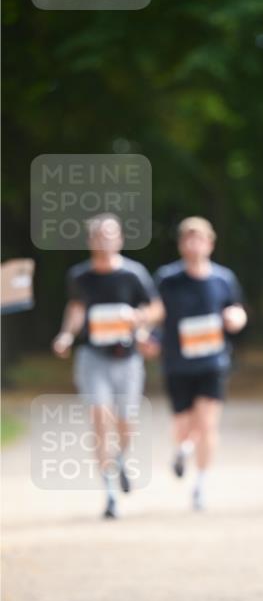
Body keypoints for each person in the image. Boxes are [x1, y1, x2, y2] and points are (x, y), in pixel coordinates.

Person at [52, 214, 160, 519]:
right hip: (92, 356)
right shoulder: (80, 276)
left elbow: (155, 308)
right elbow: (76, 308)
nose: (104, 240)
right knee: (100, 418)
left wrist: (139, 320)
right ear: (90, 241)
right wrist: (66, 335)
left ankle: (121, 458)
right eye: (99, 235)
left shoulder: (133, 274)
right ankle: (110, 493)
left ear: (120, 239)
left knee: (126, 422)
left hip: (127, 358)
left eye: (110, 234)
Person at [153, 216, 246, 511]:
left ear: (210, 243)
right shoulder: (167, 279)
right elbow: (155, 315)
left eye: (200, 238)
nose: (194, 244)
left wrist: (236, 319)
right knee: (183, 424)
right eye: (188, 239)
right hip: (177, 363)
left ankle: (201, 483)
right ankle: (183, 449)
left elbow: (237, 309)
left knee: (207, 423)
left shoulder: (223, 279)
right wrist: (149, 338)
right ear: (181, 245)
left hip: (213, 361)